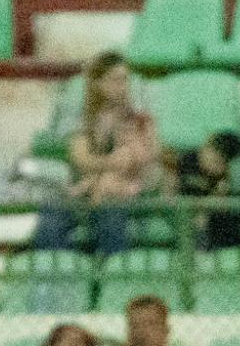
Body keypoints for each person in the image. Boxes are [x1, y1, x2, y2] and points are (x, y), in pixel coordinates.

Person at [32, 52, 162, 258]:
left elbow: (136, 159)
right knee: (52, 211)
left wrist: (103, 172)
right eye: (115, 80)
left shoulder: (139, 118)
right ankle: (62, 277)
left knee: (110, 208)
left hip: (129, 187)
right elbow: (81, 158)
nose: (123, 86)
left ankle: (113, 280)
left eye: (125, 79)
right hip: (88, 188)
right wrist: (102, 173)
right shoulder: (85, 118)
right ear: (98, 84)